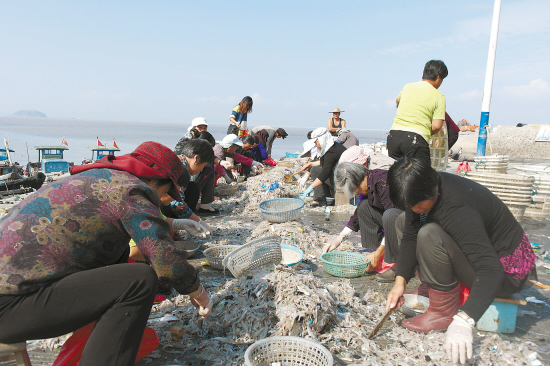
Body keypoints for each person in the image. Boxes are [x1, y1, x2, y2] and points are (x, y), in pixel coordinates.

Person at [0, 141, 213, 366]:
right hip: (10, 306)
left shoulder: (98, 177)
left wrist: (175, 224)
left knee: (120, 271)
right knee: (140, 280)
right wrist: (198, 293)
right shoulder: (132, 189)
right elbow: (166, 260)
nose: (160, 199)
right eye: (165, 191)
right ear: (153, 180)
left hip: (14, 294)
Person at [385, 157, 537, 365]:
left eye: (419, 205)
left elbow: (490, 270)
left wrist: (465, 320)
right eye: (410, 205)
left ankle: (442, 312)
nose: (416, 209)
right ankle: (432, 287)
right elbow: (410, 235)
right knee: (405, 221)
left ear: (434, 189)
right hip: (485, 258)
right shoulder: (428, 187)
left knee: (429, 234)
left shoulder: (456, 208)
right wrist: (399, 282)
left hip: (506, 272)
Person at [325, 161, 402, 278]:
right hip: (393, 220)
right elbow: (356, 217)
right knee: (363, 207)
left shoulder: (384, 183)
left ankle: (397, 264)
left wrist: (378, 253)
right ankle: (384, 257)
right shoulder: (369, 183)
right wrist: (338, 239)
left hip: (409, 222)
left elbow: (395, 221)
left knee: (389, 215)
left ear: (352, 184)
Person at [387, 60, 448, 165]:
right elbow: (437, 126)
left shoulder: (408, 86)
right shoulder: (439, 96)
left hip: (394, 136)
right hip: (415, 139)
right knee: (422, 178)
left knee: (395, 175)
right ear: (438, 77)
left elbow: (397, 100)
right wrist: (423, 128)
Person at [170, 139, 219, 217]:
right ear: (196, 159)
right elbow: (177, 203)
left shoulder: (178, 159)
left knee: (192, 187)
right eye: (203, 166)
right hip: (158, 207)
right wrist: (196, 220)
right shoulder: (181, 170)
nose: (201, 169)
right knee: (193, 188)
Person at [299, 128, 346, 206]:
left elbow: (325, 172)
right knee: (314, 169)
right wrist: (310, 164)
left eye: (316, 143)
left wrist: (311, 187)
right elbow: (324, 162)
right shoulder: (333, 146)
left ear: (322, 140)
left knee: (315, 171)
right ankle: (326, 195)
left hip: (343, 182)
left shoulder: (331, 152)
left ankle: (321, 199)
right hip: (341, 176)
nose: (316, 146)